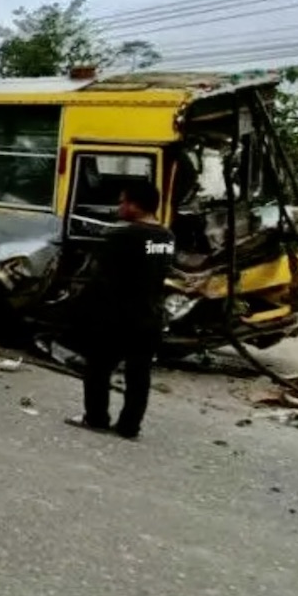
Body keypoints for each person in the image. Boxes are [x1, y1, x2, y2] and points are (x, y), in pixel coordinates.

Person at [65, 181, 176, 440]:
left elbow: (101, 279)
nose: (120, 207)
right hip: (150, 317)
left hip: (117, 318)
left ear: (135, 205)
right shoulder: (167, 237)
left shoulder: (122, 237)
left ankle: (96, 418)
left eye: (123, 201)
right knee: (139, 376)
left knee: (97, 370)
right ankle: (129, 427)